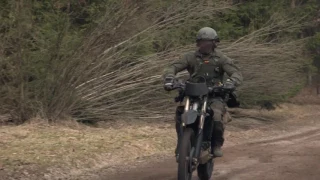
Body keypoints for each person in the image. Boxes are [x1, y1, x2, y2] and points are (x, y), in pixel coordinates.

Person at [162, 27, 243, 158]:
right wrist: (169, 77)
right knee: (180, 113)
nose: (204, 45)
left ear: (214, 43)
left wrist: (231, 82)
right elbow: (173, 66)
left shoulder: (221, 58)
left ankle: (216, 144)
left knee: (216, 116)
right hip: (193, 93)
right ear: (197, 43)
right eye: (202, 42)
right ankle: (181, 142)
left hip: (214, 94)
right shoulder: (190, 57)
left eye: (208, 42)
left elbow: (236, 73)